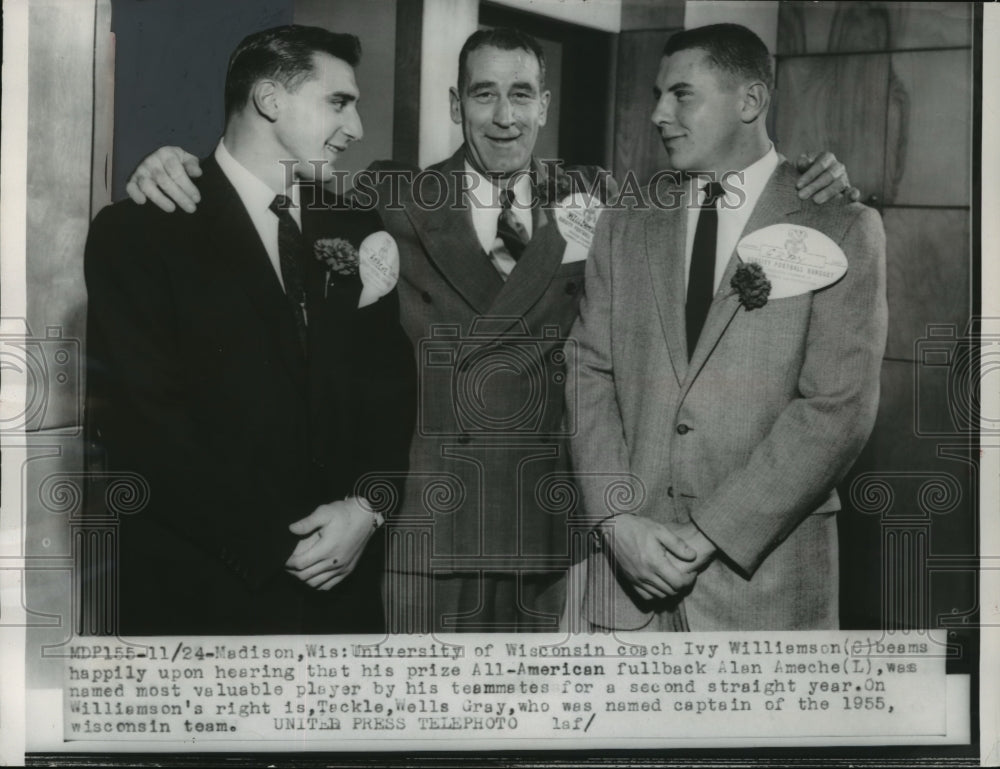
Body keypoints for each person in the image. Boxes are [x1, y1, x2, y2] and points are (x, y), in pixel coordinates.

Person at [123, 26, 855, 633]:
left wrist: (817, 176)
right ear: (455, 104)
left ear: (545, 104)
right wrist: (168, 163)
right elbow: (266, 177)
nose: (504, 116)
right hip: (424, 527)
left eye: (521, 94)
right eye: (483, 94)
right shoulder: (390, 193)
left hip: (548, 528)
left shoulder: (607, 197)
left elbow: (731, 190)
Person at [84, 25, 415, 635]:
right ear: (269, 100)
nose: (357, 128)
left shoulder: (357, 222)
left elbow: (391, 390)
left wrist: (368, 509)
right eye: (339, 102)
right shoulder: (139, 231)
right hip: (204, 593)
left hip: (343, 589)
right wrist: (276, 546)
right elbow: (142, 424)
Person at [567, 23, 887, 631]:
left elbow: (837, 409)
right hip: (628, 581)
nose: (659, 113)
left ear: (750, 101)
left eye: (682, 94)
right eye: (657, 94)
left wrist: (708, 534)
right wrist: (616, 521)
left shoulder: (841, 224)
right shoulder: (625, 220)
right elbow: (589, 371)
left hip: (766, 591)